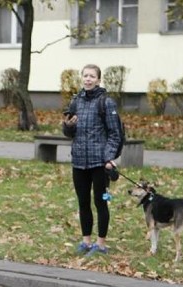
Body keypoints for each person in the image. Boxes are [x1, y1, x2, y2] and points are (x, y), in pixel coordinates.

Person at [62, 63, 122, 256]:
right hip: (79, 161)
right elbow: (68, 132)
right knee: (83, 202)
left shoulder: (106, 102)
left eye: (92, 76)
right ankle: (86, 241)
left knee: (101, 201)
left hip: (99, 163)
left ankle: (101, 244)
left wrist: (109, 158)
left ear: (98, 79)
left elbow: (115, 134)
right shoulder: (75, 101)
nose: (88, 79)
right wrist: (68, 126)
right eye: (85, 76)